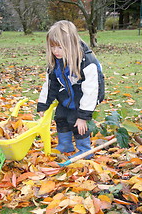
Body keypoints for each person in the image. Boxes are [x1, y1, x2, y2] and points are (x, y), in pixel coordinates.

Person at [37, 20, 102, 159]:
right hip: (67, 95)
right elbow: (50, 84)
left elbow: (91, 90)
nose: (55, 51)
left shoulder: (87, 62)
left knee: (76, 121)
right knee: (60, 116)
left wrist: (83, 116)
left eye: (60, 47)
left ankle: (84, 150)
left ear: (71, 45)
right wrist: (43, 104)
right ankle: (65, 145)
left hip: (85, 96)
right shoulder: (55, 62)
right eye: (53, 47)